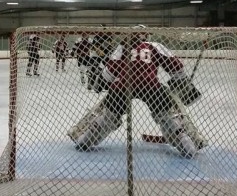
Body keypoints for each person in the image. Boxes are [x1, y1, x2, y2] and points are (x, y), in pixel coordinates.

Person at [67, 26, 206, 156]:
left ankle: (86, 138)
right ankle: (184, 138)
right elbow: (175, 66)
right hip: (150, 85)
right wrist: (180, 81)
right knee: (167, 114)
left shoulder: (123, 46)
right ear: (147, 34)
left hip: (123, 85)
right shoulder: (154, 46)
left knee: (108, 117)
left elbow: (109, 73)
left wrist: (101, 82)